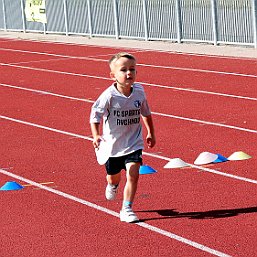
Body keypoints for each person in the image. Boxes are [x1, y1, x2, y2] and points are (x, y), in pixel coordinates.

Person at [90, 52, 156, 223]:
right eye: (123, 70)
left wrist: (151, 133)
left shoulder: (139, 91)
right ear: (113, 75)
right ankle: (113, 185)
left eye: (132, 69)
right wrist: (96, 135)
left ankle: (126, 208)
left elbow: (146, 113)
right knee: (113, 177)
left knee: (133, 173)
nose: (128, 73)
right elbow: (95, 115)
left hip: (134, 142)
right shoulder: (109, 96)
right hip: (112, 146)